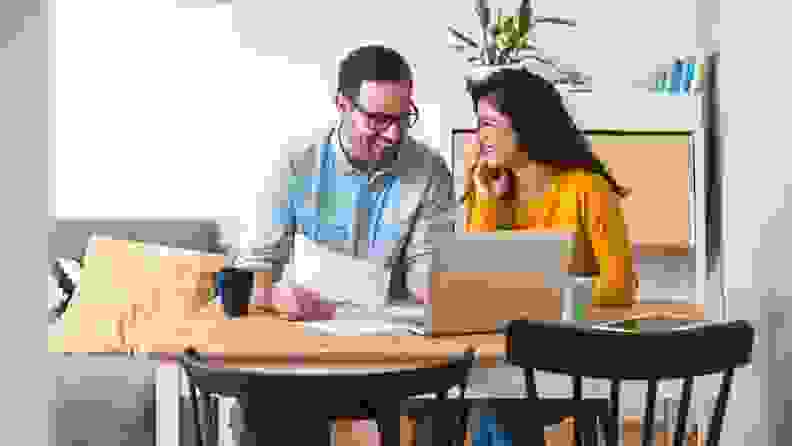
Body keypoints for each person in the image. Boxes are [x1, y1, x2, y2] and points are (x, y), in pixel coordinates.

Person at [232, 45, 455, 444]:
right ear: (341, 104)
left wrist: (443, 287)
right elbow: (249, 271)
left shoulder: (430, 171)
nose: (394, 133)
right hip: (300, 350)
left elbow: (430, 274)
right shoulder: (294, 163)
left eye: (405, 118)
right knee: (265, 410)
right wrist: (275, 296)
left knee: (447, 405)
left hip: (390, 355)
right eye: (379, 119)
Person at [462, 68, 639, 445]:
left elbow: (621, 286)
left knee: (497, 403)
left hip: (571, 354)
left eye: (489, 124)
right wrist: (486, 202)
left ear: (525, 125)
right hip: (506, 351)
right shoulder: (491, 188)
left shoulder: (586, 188)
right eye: (479, 125)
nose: (481, 138)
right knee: (470, 396)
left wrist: (543, 301)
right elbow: (476, 281)